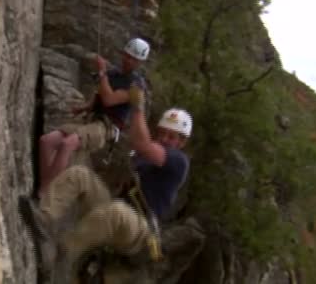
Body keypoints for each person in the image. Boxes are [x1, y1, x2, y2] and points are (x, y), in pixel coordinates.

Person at [21, 84, 192, 281]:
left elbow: (141, 144)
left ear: (181, 142)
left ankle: (62, 255)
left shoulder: (179, 161)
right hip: (118, 208)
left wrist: (137, 107)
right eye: (162, 133)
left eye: (171, 136)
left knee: (116, 213)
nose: (164, 138)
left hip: (140, 229)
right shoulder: (143, 157)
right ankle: (44, 219)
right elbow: (138, 145)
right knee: (80, 176)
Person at [37, 38, 150, 196]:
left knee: (67, 144)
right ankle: (43, 188)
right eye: (127, 56)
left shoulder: (136, 86)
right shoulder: (114, 74)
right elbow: (99, 95)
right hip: (91, 119)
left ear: (140, 63)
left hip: (105, 127)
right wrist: (85, 107)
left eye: (133, 59)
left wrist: (102, 72)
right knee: (46, 141)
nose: (128, 60)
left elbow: (109, 100)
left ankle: (46, 193)